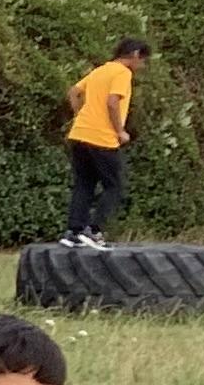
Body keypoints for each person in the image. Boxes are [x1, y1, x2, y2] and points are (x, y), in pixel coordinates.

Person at [63, 39, 150, 245]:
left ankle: (74, 231)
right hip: (102, 139)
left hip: (80, 134)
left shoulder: (100, 71)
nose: (142, 66)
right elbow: (112, 102)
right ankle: (94, 230)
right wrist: (120, 131)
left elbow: (74, 92)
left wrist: (80, 115)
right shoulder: (122, 73)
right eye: (143, 60)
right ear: (135, 54)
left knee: (84, 184)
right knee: (114, 186)